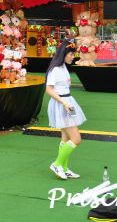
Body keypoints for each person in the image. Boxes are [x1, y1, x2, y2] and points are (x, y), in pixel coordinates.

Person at [46, 41, 87, 180]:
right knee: (76, 139)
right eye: (71, 54)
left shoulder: (63, 67)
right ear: (63, 54)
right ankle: (57, 164)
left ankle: (64, 168)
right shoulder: (55, 70)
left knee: (66, 137)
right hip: (62, 104)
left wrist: (66, 102)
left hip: (68, 102)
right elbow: (49, 89)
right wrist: (64, 103)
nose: (73, 57)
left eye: (73, 54)